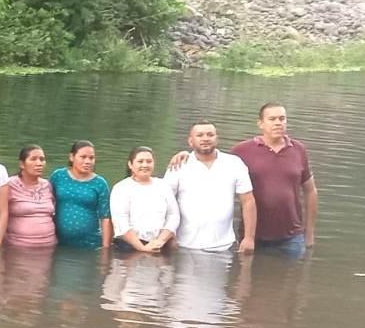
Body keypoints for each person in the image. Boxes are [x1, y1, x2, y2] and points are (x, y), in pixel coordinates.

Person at [229, 103, 318, 256]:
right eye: (272, 119)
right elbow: (212, 163)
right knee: (249, 278)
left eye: (282, 118)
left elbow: (310, 190)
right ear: (260, 123)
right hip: (252, 235)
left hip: (292, 236)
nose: (278, 123)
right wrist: (185, 155)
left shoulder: (298, 150)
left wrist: (309, 233)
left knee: (293, 277)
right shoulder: (241, 150)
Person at [164, 121, 257, 253]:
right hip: (184, 245)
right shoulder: (179, 165)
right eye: (200, 135)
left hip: (223, 246)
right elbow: (164, 201)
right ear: (191, 141)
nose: (205, 138)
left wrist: (248, 238)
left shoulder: (234, 163)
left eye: (210, 134)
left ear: (216, 139)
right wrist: (168, 236)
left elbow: (248, 201)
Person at [109, 147, 180, 252]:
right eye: (140, 161)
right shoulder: (121, 188)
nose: (145, 165)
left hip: (160, 244)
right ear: (130, 164)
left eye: (149, 161)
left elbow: (173, 215)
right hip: (129, 246)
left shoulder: (163, 186)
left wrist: (159, 241)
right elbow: (120, 221)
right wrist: (142, 248)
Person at [49, 140, 112, 249]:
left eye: (91, 158)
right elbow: (46, 204)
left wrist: (105, 248)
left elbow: (105, 217)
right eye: (83, 157)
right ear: (72, 157)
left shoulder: (100, 183)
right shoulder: (58, 176)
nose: (87, 161)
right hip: (58, 243)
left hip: (90, 244)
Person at [5, 145, 56, 248]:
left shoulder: (47, 185)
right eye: (33, 159)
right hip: (17, 248)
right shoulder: (10, 184)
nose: (39, 163)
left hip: (49, 248)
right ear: (22, 164)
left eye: (42, 159)